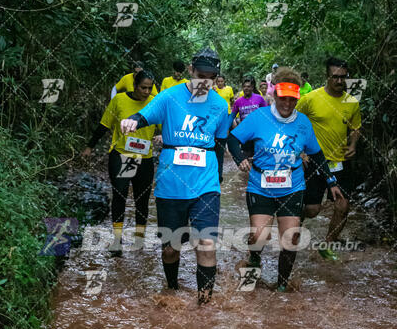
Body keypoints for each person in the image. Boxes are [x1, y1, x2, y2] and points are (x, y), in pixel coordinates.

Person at [120, 48, 229, 305]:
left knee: (206, 244)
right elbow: (145, 114)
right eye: (201, 75)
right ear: (191, 70)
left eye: (211, 78)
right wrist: (133, 120)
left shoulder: (220, 105)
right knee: (170, 248)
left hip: (206, 183)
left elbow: (221, 143)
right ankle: (172, 288)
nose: (205, 83)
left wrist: (220, 175)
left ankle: (205, 304)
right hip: (171, 185)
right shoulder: (170, 97)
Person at [228, 67, 343, 291]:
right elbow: (232, 139)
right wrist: (240, 158)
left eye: (292, 100)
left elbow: (317, 154)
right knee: (259, 236)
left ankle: (281, 289)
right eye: (283, 98)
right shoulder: (258, 118)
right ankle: (253, 265)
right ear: (274, 95)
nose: (287, 104)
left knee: (290, 239)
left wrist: (330, 181)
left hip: (293, 186)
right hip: (260, 186)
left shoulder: (302, 123)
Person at [82, 70, 157, 255]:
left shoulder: (155, 102)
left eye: (149, 88)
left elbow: (165, 126)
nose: (146, 92)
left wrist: (163, 136)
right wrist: (90, 146)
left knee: (142, 199)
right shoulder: (120, 100)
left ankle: (139, 240)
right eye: (143, 88)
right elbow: (104, 124)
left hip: (144, 158)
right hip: (122, 156)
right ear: (134, 85)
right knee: (120, 195)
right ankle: (117, 240)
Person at [296, 57, 361, 260]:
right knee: (312, 209)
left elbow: (356, 127)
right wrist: (300, 152)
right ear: (327, 76)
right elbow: (292, 122)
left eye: (343, 77)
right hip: (314, 162)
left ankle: (328, 245)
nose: (339, 81)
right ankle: (293, 224)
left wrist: (352, 145)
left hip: (340, 163)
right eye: (335, 77)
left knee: (343, 206)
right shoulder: (311, 99)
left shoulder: (351, 102)